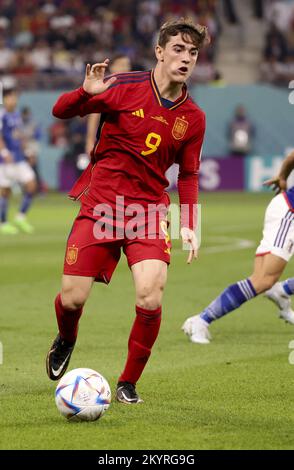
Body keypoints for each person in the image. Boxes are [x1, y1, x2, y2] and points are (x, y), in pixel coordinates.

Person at [46, 18, 208, 404]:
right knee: (72, 299)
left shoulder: (194, 118)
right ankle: (66, 337)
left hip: (148, 212)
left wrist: (190, 223)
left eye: (193, 52)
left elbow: (188, 174)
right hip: (102, 205)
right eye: (178, 49)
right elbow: (59, 110)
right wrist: (83, 94)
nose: (186, 58)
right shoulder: (123, 87)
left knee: (151, 295)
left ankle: (128, 382)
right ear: (160, 52)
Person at [182, 151, 294, 344]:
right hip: (289, 214)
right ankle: (201, 320)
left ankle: (282, 290)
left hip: (285, 209)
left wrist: (283, 176)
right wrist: (282, 177)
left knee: (265, 281)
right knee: (262, 280)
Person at [0, 88, 37, 235]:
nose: (14, 100)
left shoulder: (16, 115)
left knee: (32, 185)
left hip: (19, 158)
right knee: (5, 192)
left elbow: (19, 135)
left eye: (15, 97)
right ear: (5, 99)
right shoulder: (1, 115)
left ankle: (20, 217)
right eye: (11, 97)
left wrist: (27, 151)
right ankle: (3, 223)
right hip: (5, 161)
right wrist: (4, 152)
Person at [85, 54, 131, 156]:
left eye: (127, 65)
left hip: (127, 144)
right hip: (107, 143)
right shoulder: (103, 87)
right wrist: (89, 141)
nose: (125, 68)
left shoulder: (133, 90)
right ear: (112, 67)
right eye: (121, 65)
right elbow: (94, 116)